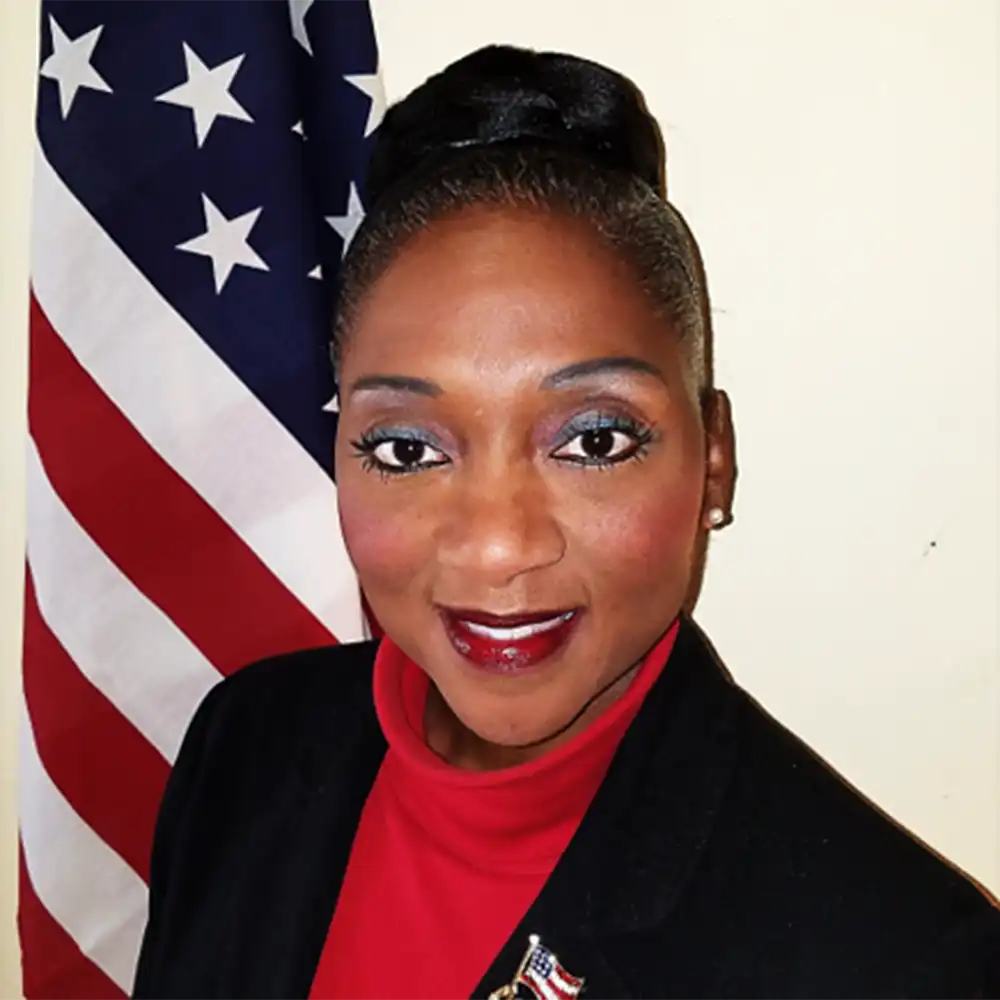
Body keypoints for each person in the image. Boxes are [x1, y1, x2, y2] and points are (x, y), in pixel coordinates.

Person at [131, 45, 998, 1000]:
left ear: (715, 458)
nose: (499, 546)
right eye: (408, 450)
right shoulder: (242, 745)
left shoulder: (907, 962)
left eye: (593, 442)